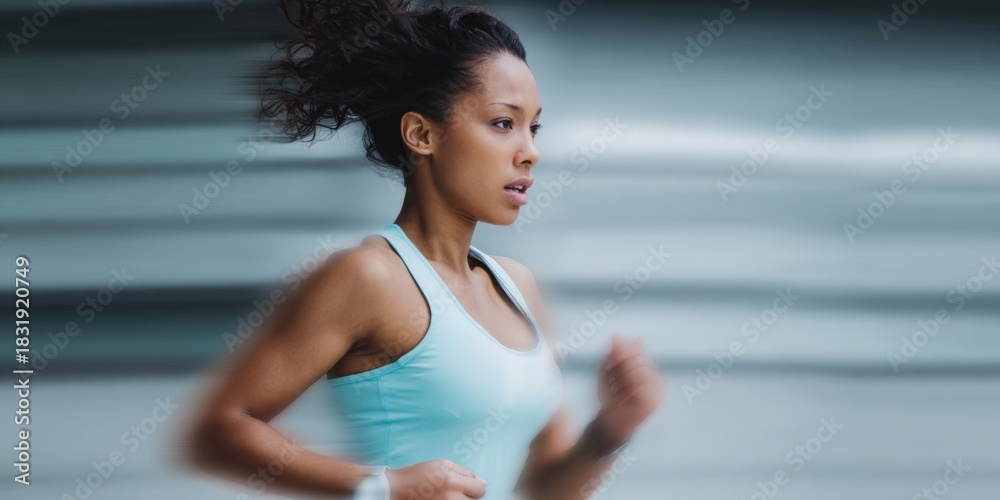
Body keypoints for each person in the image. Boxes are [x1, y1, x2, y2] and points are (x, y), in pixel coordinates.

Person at [181, 1, 665, 498]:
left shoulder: (518, 286)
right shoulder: (368, 277)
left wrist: (610, 431)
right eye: (504, 123)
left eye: (533, 127)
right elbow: (218, 432)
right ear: (422, 134)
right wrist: (384, 486)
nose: (531, 151)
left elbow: (545, 489)